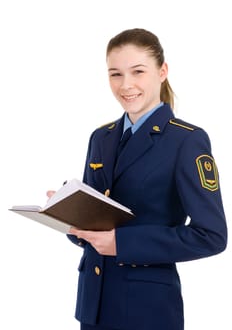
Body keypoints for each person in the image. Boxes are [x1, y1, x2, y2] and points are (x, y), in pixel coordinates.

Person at [50, 28, 227, 330]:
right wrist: (68, 215)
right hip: (93, 304)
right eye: (115, 74)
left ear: (162, 71)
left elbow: (211, 236)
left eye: (138, 72)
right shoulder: (101, 137)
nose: (126, 85)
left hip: (147, 310)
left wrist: (122, 243)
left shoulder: (187, 141)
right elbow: (96, 227)